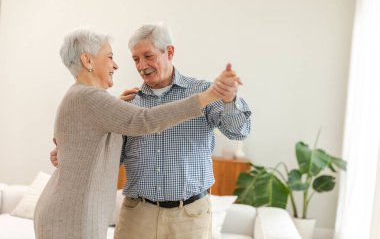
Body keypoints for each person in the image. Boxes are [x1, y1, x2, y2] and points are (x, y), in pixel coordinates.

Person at [36, 27, 241, 239]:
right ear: (88, 61)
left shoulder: (103, 101)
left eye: (148, 56)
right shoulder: (114, 100)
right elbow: (143, 121)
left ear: (169, 52)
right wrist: (205, 98)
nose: (139, 66)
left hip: (188, 214)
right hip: (120, 213)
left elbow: (239, 131)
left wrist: (224, 98)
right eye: (134, 59)